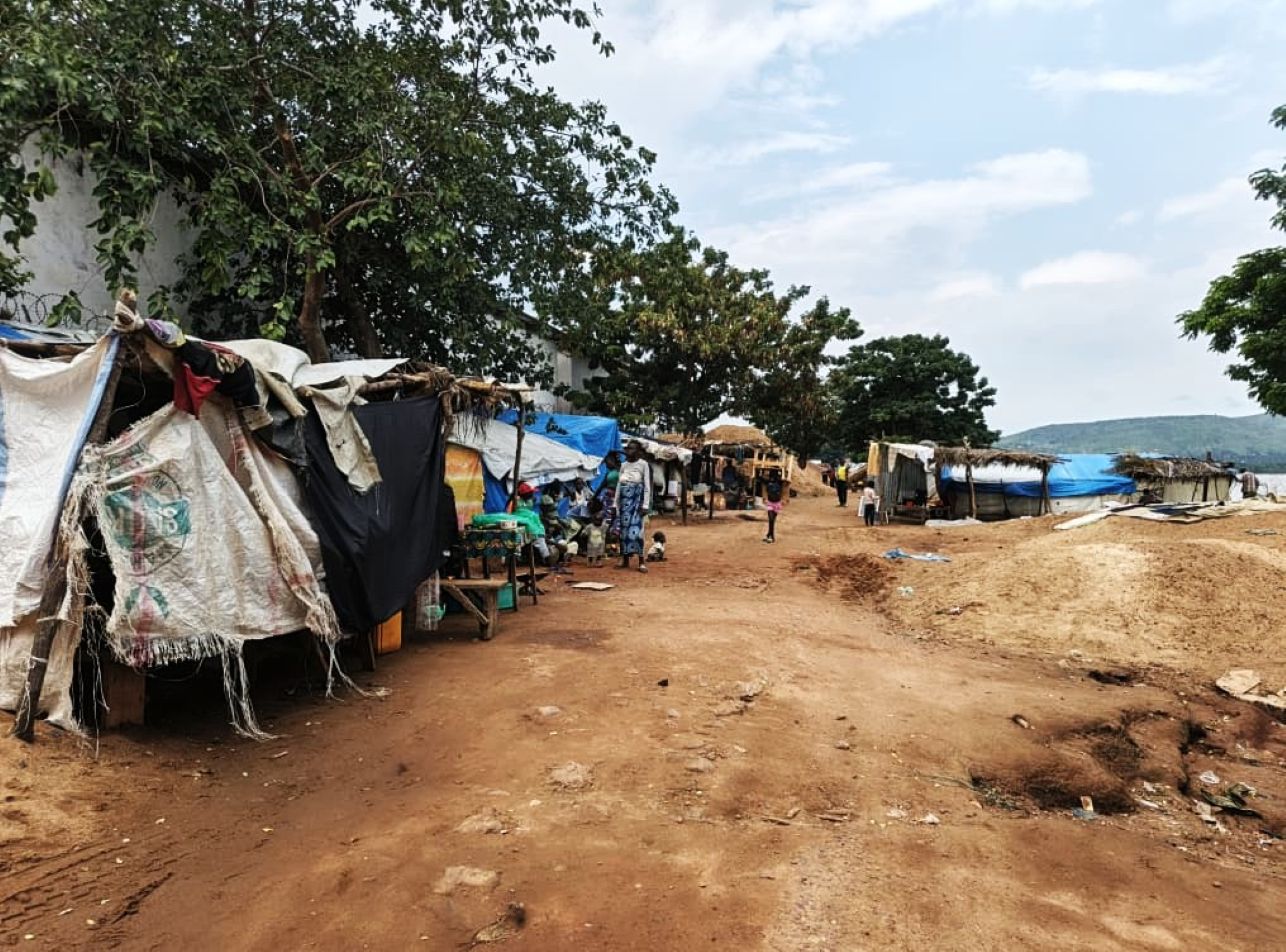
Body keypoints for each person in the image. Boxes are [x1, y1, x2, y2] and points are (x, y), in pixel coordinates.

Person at [615, 439, 652, 572]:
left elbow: (647, 486)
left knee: (637, 532)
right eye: (627, 448)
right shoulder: (623, 465)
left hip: (637, 503)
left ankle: (641, 561)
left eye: (631, 448)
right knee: (623, 532)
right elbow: (619, 485)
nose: (628, 451)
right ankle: (625, 560)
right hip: (624, 503)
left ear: (638, 451)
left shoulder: (643, 465)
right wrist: (615, 504)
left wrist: (645, 505)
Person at [762, 468, 785, 543]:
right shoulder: (768, 482)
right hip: (770, 503)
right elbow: (760, 478)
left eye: (774, 475)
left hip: (777, 503)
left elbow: (786, 480)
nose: (772, 477)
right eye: (772, 475)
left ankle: (769, 534)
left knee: (772, 520)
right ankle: (771, 536)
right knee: (771, 519)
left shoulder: (780, 482)